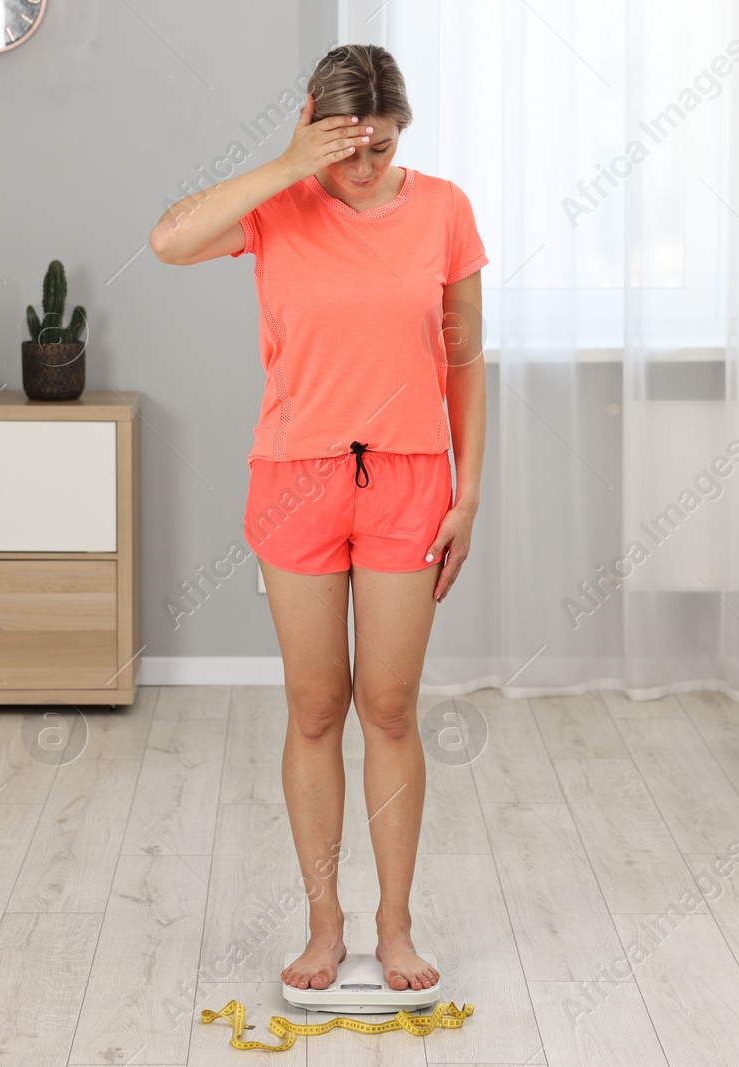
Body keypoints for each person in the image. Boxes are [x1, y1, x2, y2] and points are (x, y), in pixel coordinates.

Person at [149, 43, 486, 994]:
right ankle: (325, 922)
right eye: (347, 146)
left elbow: (464, 359)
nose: (365, 164)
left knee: (388, 706)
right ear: (315, 123)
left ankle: (395, 922)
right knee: (314, 708)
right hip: (297, 478)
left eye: (381, 147)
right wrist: (292, 161)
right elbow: (170, 240)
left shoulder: (446, 211)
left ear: (401, 132)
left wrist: (468, 491)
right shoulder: (280, 205)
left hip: (413, 479)